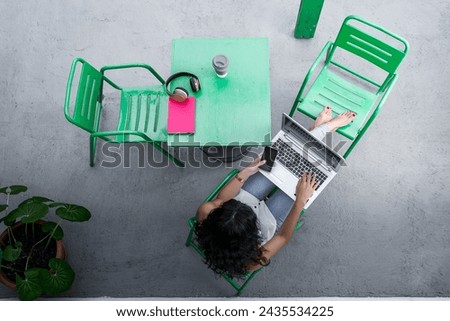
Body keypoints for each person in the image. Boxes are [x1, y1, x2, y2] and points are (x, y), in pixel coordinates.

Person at [196, 107, 355, 278]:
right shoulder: (252, 260)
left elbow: (221, 198)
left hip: (245, 200)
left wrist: (245, 172)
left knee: (280, 159)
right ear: (250, 237)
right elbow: (283, 237)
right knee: (304, 177)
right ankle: (320, 130)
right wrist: (300, 202)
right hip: (267, 221)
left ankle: (320, 129)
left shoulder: (206, 213)